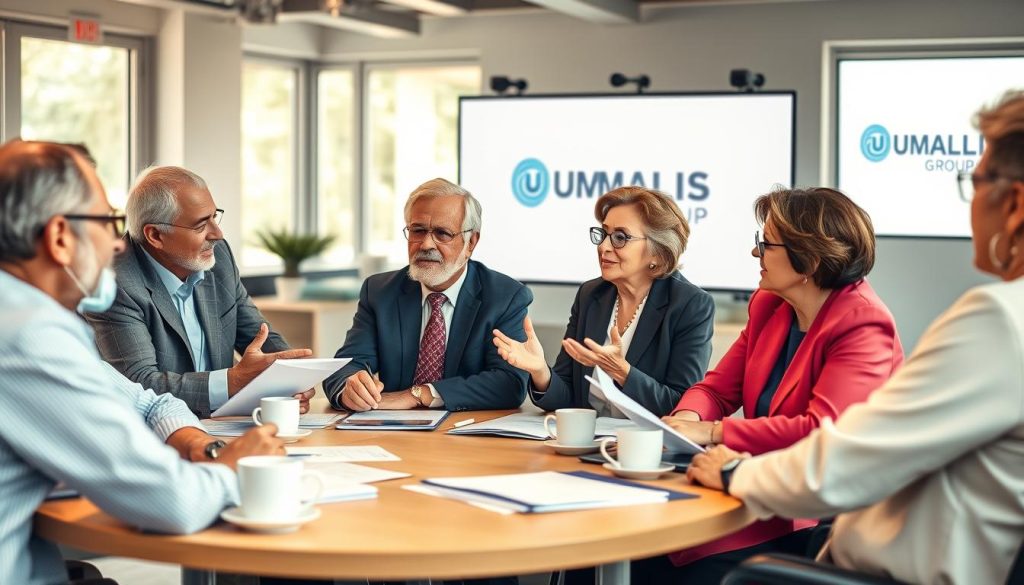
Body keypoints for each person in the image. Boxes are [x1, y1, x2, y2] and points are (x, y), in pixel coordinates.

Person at [688, 90, 1024, 585]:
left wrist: (733, 469)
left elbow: (843, 462)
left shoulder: (998, 318)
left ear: (1013, 202)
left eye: (973, 182)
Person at [0, 140, 284, 585]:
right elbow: (173, 503)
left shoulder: (22, 316)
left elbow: (147, 403)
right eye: (106, 222)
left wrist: (204, 446)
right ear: (59, 237)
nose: (117, 244)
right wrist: (235, 467)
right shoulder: (26, 335)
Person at [642, 186, 904, 583]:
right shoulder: (771, 306)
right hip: (749, 487)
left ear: (810, 261)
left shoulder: (862, 324)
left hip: (815, 514)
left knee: (669, 563)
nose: (755, 254)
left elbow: (821, 433)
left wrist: (713, 430)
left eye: (766, 244)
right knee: (640, 551)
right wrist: (686, 419)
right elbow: (714, 390)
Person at [84, 166, 314, 418]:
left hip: (223, 424)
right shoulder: (114, 283)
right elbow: (139, 385)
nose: (217, 234)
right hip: (157, 434)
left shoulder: (217, 257)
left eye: (215, 217)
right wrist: (231, 382)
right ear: (155, 235)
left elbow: (258, 334)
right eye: (201, 225)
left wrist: (289, 378)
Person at [493, 186, 715, 417]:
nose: (603, 246)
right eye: (604, 233)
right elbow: (568, 397)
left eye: (620, 237)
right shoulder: (591, 294)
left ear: (657, 252)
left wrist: (622, 372)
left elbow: (683, 407)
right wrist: (540, 371)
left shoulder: (691, 305)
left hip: (646, 446)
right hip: (589, 443)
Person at [324, 178, 532, 412]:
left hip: (467, 437)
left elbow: (510, 383)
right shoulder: (380, 292)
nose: (425, 244)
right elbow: (344, 366)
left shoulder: (505, 297)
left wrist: (421, 394)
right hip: (391, 432)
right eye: (418, 230)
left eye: (442, 233)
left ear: (471, 242)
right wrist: (350, 387)